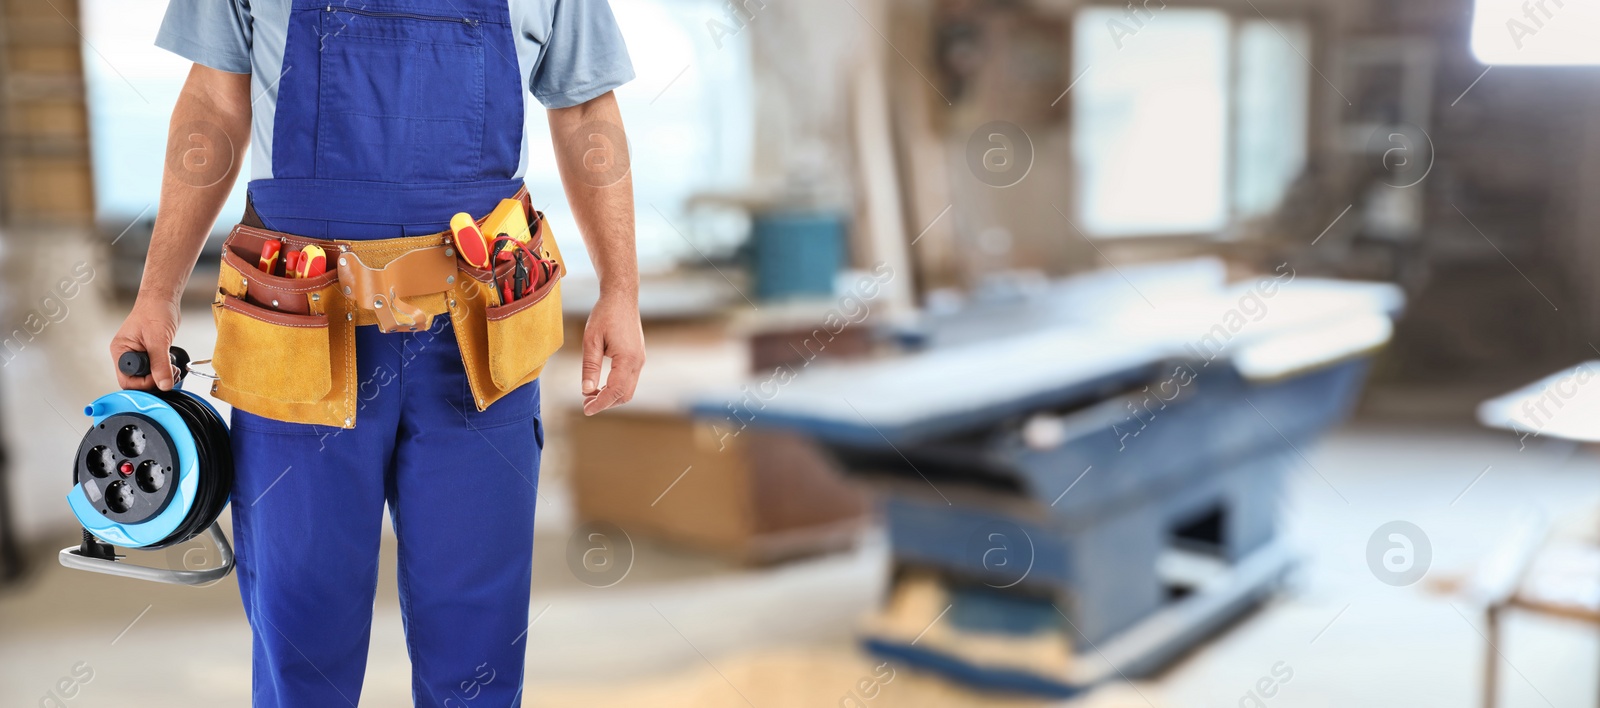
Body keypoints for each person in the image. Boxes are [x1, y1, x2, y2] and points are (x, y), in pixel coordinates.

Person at [107, 2, 645, 705]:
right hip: (297, 332)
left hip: (476, 334)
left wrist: (621, 290)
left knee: (476, 638)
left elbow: (583, 111)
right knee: (302, 638)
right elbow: (213, 101)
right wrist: (157, 293)